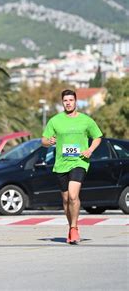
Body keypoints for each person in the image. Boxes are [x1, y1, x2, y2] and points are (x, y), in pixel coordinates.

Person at [42, 89, 102, 244]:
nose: (68, 103)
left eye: (71, 100)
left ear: (76, 101)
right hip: (61, 164)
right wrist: (49, 142)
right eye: (65, 100)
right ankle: (71, 227)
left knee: (74, 195)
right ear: (62, 102)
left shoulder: (86, 120)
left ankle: (74, 228)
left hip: (79, 162)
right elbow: (43, 140)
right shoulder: (55, 121)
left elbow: (97, 137)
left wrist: (89, 150)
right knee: (66, 199)